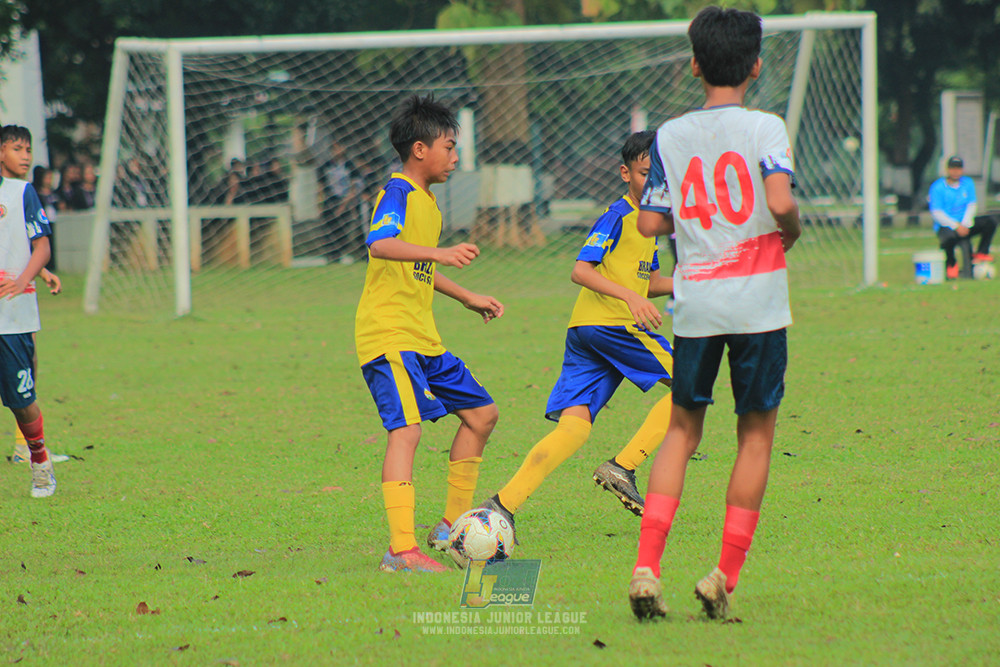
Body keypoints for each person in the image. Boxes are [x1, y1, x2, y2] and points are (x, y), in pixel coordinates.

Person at [627, 6, 802, 621]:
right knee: (754, 438)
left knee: (681, 430)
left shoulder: (668, 136)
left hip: (694, 302)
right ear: (755, 65)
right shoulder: (765, 128)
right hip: (758, 304)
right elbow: (779, 200)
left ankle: (647, 567)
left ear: (695, 64)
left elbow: (650, 220)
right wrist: (792, 229)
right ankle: (722, 575)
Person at [463, 131, 674, 545]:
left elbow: (643, 282)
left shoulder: (649, 222)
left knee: (573, 430)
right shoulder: (618, 215)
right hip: (612, 326)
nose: (651, 183)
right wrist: (630, 296)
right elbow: (582, 270)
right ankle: (624, 466)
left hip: (585, 332)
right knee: (692, 386)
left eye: (658, 176)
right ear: (625, 172)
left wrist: (684, 281)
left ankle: (501, 505)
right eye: (644, 173)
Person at [355, 95, 504, 573]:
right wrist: (440, 255)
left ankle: (450, 525)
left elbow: (417, 262)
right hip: (389, 334)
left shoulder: (429, 204)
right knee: (407, 431)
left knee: (482, 415)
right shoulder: (396, 192)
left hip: (423, 336)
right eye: (449, 145)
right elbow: (380, 244)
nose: (456, 156)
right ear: (420, 149)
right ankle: (400, 551)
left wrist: (465, 296)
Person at [1, 127, 65, 467]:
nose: (26, 156)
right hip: (13, 297)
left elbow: (25, 243)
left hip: (15, 304)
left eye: (28, 149)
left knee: (24, 378)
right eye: (17, 149)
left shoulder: (23, 192)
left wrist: (33, 273)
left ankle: (26, 446)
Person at [928, 155, 995, 279]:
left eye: (958, 168)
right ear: (948, 169)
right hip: (947, 225)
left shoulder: (967, 183)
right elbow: (937, 212)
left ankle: (982, 252)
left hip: (965, 223)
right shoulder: (937, 187)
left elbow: (971, 205)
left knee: (990, 222)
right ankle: (951, 263)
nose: (956, 171)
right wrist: (956, 226)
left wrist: (964, 224)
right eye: (953, 168)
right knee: (950, 239)